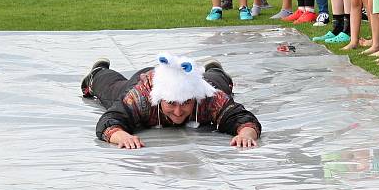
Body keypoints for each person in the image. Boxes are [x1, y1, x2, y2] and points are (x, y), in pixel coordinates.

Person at [80, 53, 261, 149]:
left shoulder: (207, 96)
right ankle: (97, 73)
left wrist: (246, 134)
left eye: (185, 103)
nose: (178, 112)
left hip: (202, 80)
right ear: (159, 100)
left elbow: (242, 117)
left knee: (219, 84)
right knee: (113, 89)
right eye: (171, 104)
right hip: (142, 80)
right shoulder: (141, 95)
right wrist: (121, 135)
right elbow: (109, 120)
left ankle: (216, 69)